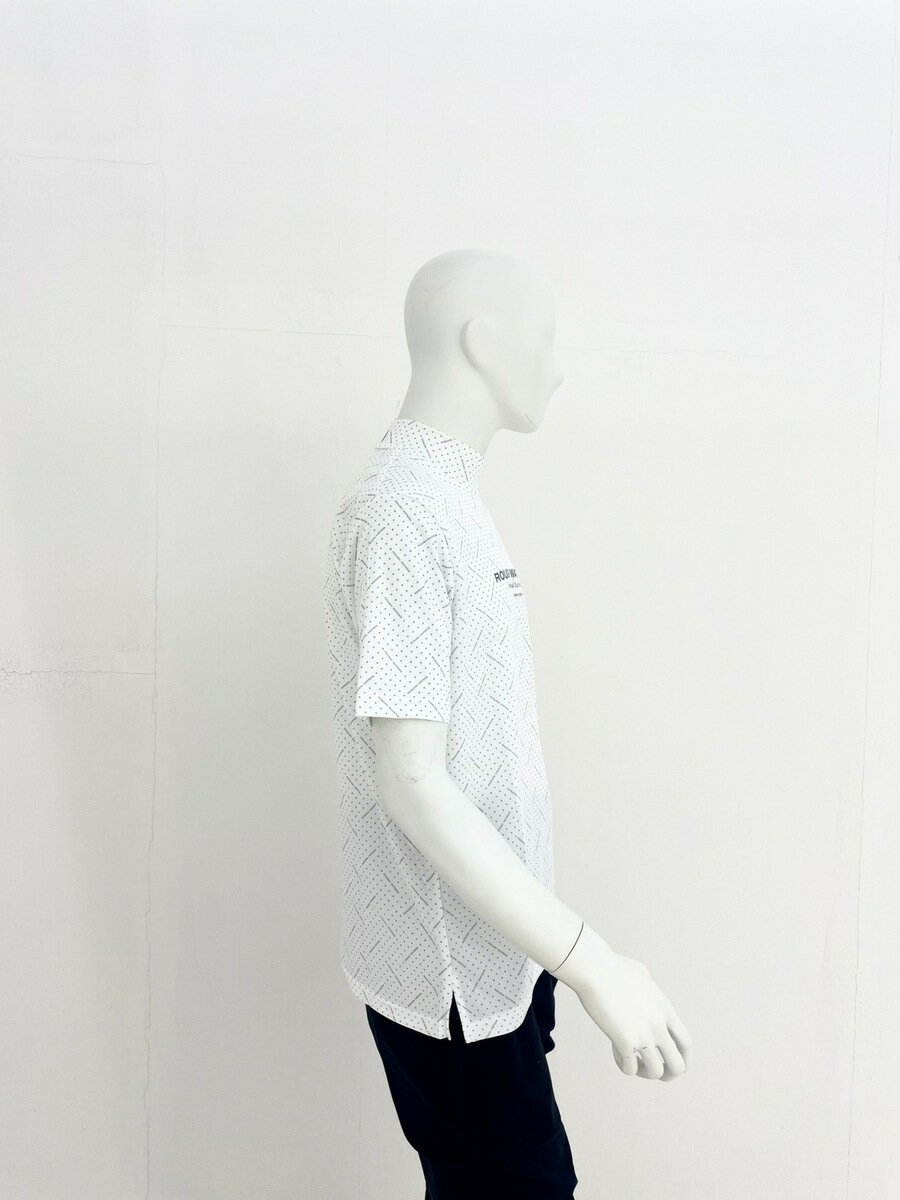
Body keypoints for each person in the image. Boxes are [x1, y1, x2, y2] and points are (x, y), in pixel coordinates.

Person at [323, 248, 692, 1199]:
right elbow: (411, 782)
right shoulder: (402, 513)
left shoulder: (448, 500)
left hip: (499, 954)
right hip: (450, 972)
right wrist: (593, 962)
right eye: (546, 342)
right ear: (484, 342)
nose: (557, 369)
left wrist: (553, 958)